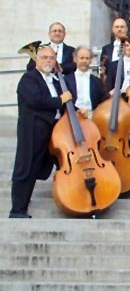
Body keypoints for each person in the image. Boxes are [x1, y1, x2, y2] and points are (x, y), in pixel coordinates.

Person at [10, 45, 72, 218]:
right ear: (36, 60)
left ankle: (74, 201)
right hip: (33, 131)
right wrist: (60, 100)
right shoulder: (29, 78)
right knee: (26, 168)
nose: (48, 61)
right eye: (44, 57)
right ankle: (18, 210)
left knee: (53, 165)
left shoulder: (56, 80)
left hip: (55, 131)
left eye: (51, 58)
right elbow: (37, 100)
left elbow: (67, 99)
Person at [66, 47, 105, 115]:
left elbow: (101, 101)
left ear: (90, 61)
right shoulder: (67, 80)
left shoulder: (97, 81)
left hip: (92, 115)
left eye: (87, 58)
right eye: (82, 58)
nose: (84, 61)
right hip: (73, 115)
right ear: (75, 59)